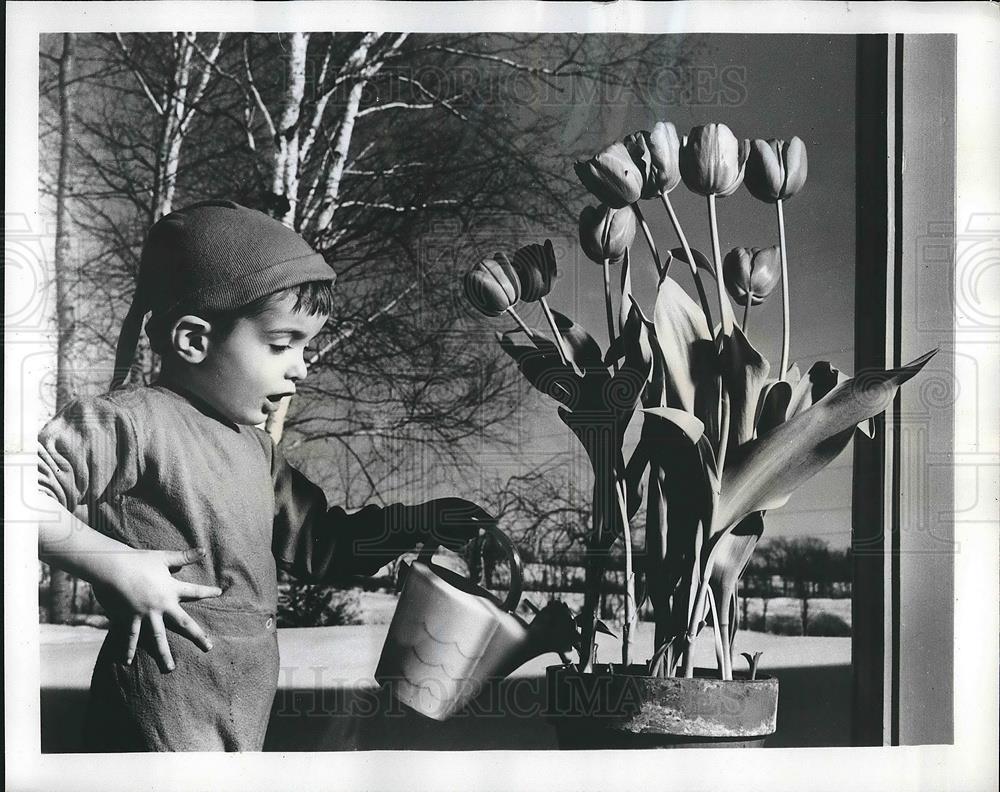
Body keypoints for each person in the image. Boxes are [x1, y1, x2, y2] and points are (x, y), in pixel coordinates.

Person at [37, 200, 493, 751]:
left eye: (306, 346)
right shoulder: (131, 421)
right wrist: (119, 568)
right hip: (153, 712)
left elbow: (320, 544)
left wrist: (414, 523)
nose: (301, 366)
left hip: (243, 714)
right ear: (194, 340)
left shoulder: (259, 452)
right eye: (282, 344)